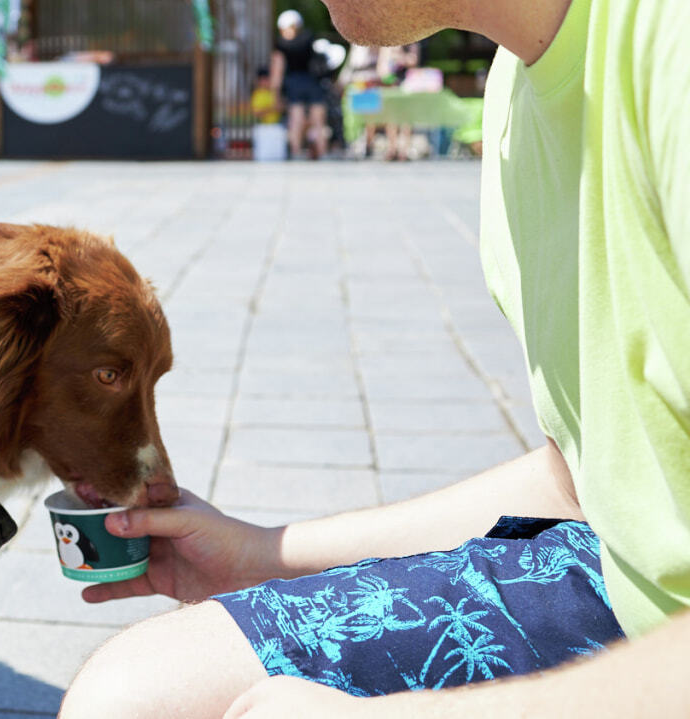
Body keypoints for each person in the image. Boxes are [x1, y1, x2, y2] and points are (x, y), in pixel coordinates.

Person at [62, 0, 690, 715]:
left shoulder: (671, 40)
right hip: (612, 578)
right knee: (135, 697)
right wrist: (261, 553)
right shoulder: (516, 91)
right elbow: (579, 478)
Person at [269, 10, 327, 160]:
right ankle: (322, 152)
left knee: (296, 119)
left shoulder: (281, 45)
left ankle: (296, 152)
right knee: (318, 121)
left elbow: (278, 73)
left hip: (294, 83)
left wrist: (275, 94)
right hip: (312, 82)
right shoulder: (309, 38)